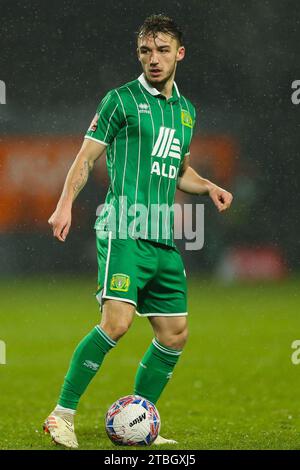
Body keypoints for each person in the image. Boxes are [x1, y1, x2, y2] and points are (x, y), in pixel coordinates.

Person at [44, 14, 233, 448]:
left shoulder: (186, 112)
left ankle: (138, 421)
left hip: (162, 237)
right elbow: (86, 156)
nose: (154, 59)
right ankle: (61, 414)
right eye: (146, 50)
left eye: (163, 50)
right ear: (139, 54)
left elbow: (178, 168)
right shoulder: (120, 101)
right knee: (117, 323)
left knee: (175, 333)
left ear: (179, 54)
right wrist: (64, 204)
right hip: (124, 227)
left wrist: (209, 187)